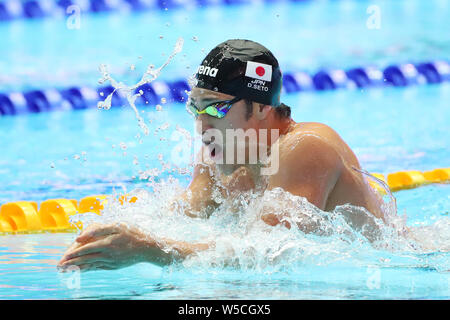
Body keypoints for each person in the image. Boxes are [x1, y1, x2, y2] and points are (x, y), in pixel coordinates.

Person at [58, 39, 385, 272]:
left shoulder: (306, 147)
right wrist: (117, 235)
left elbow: (268, 252)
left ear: (260, 107)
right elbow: (182, 218)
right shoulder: (219, 154)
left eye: (215, 107)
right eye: (196, 106)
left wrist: (151, 251)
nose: (201, 124)